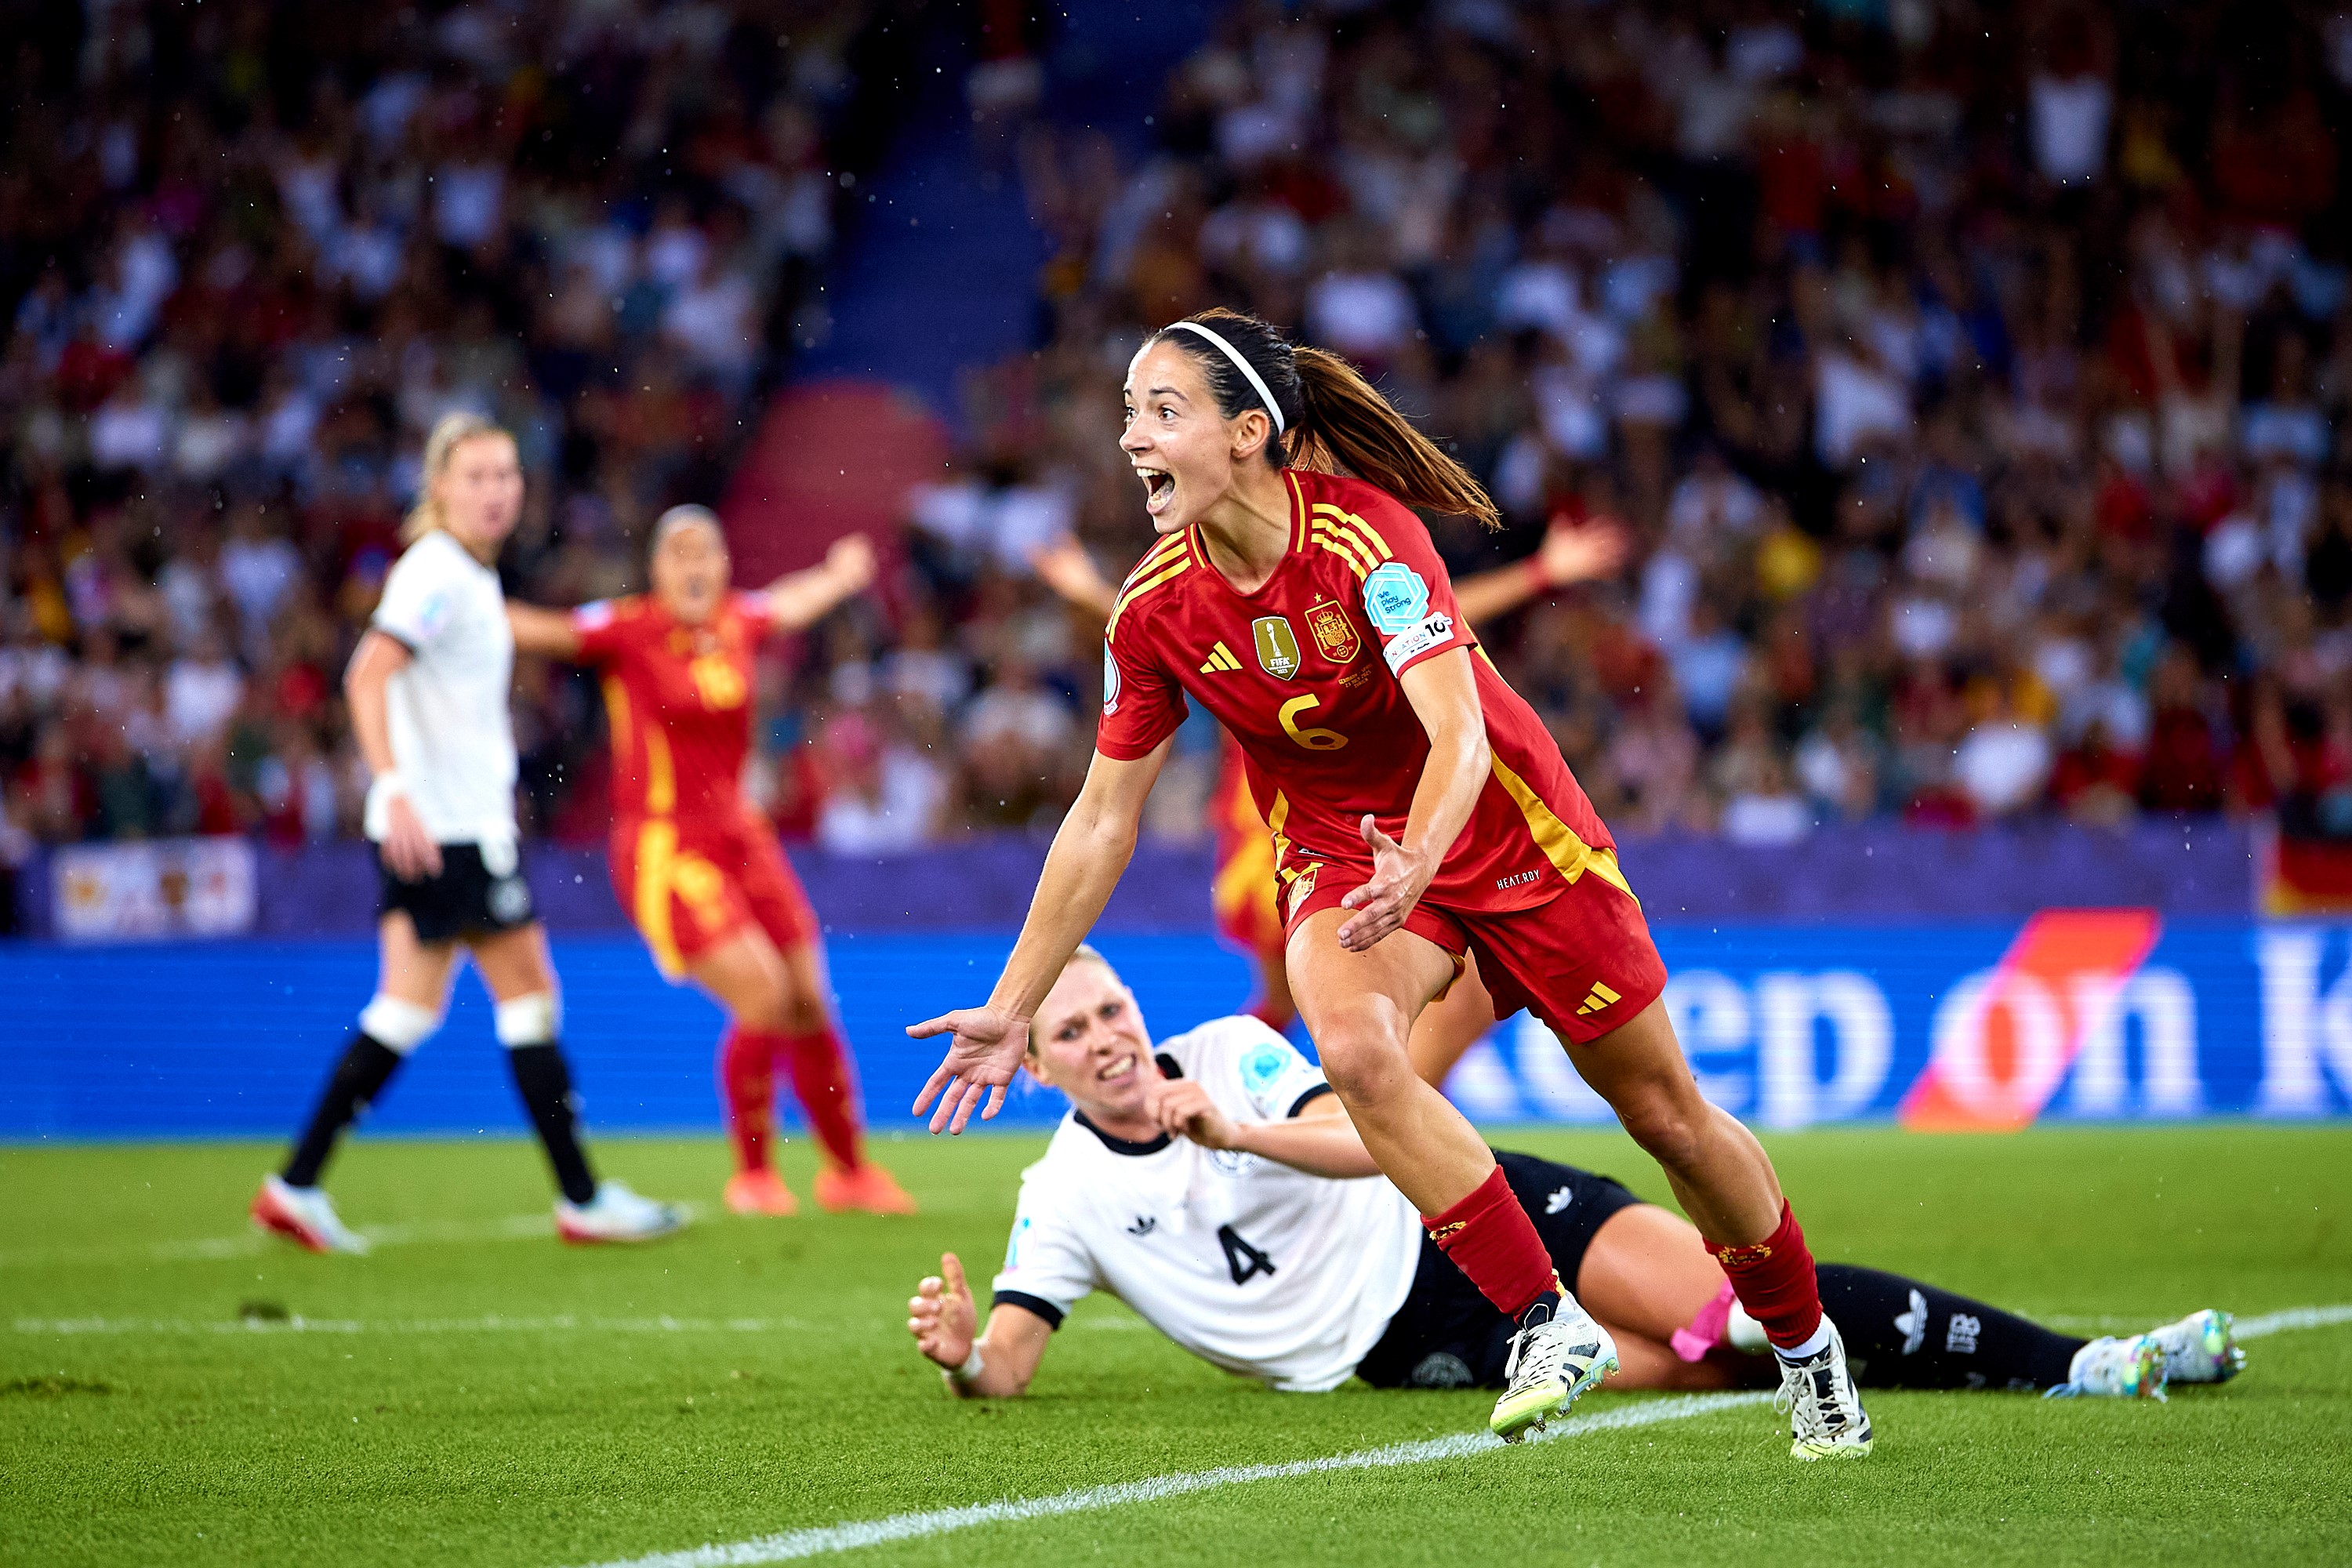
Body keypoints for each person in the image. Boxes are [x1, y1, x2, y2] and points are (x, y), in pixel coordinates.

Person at [912, 308, 1871, 1457]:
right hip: (1346, 857)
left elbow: (1459, 733)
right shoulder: (1153, 611)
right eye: (1129, 413)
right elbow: (1100, 819)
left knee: (1665, 1115)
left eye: (1162, 411)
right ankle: (1542, 1318)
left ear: (1250, 432)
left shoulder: (1368, 541)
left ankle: (1810, 1351)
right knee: (1359, 1055)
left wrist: (1423, 854)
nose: (1132, 437)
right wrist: (1013, 1007)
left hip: (1511, 840)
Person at [904, 949, 2244, 1406]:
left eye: (1114, 1009)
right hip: (1402, 1343)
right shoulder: (1059, 1195)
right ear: (1036, 1067)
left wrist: (1238, 1130)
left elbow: (1377, 1135)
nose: (1110, 1038)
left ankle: (2085, 1363)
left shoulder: (1232, 1055)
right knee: (1704, 1362)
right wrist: (966, 1356)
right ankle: (2047, 1368)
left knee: (1734, 1302)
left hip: (1449, 1209)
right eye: (1073, 1031)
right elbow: (1012, 1362)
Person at [251, 412, 686, 1253]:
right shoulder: (437, 574)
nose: (495, 491)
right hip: (446, 830)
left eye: (507, 475)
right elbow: (367, 672)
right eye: (477, 476)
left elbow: (516, 638)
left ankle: (295, 1183)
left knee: (407, 1009)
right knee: (529, 996)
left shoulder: (466, 576)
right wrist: (396, 788)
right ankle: (582, 1197)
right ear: (439, 487)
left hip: (438, 827)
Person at [1029, 517, 1628, 1049]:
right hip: (1293, 830)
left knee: (1328, 1006)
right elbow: (1157, 626)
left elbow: (1424, 608)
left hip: (1300, 827)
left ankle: (1289, 1113)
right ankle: (1311, 1121)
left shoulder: (1348, 562)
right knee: (1360, 1005)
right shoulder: (1204, 609)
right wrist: (1542, 572)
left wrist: (1088, 591)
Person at [508, 508, 915, 1218]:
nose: (694, 565)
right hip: (666, 846)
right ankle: (754, 1178)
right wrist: (448, 600)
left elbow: (785, 604)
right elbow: (541, 629)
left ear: (724, 565)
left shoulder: (736, 620)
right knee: (762, 996)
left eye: (706, 552)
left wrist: (839, 575)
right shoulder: (627, 628)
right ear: (657, 570)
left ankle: (849, 1173)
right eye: (678, 553)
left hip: (743, 835)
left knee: (811, 1000)